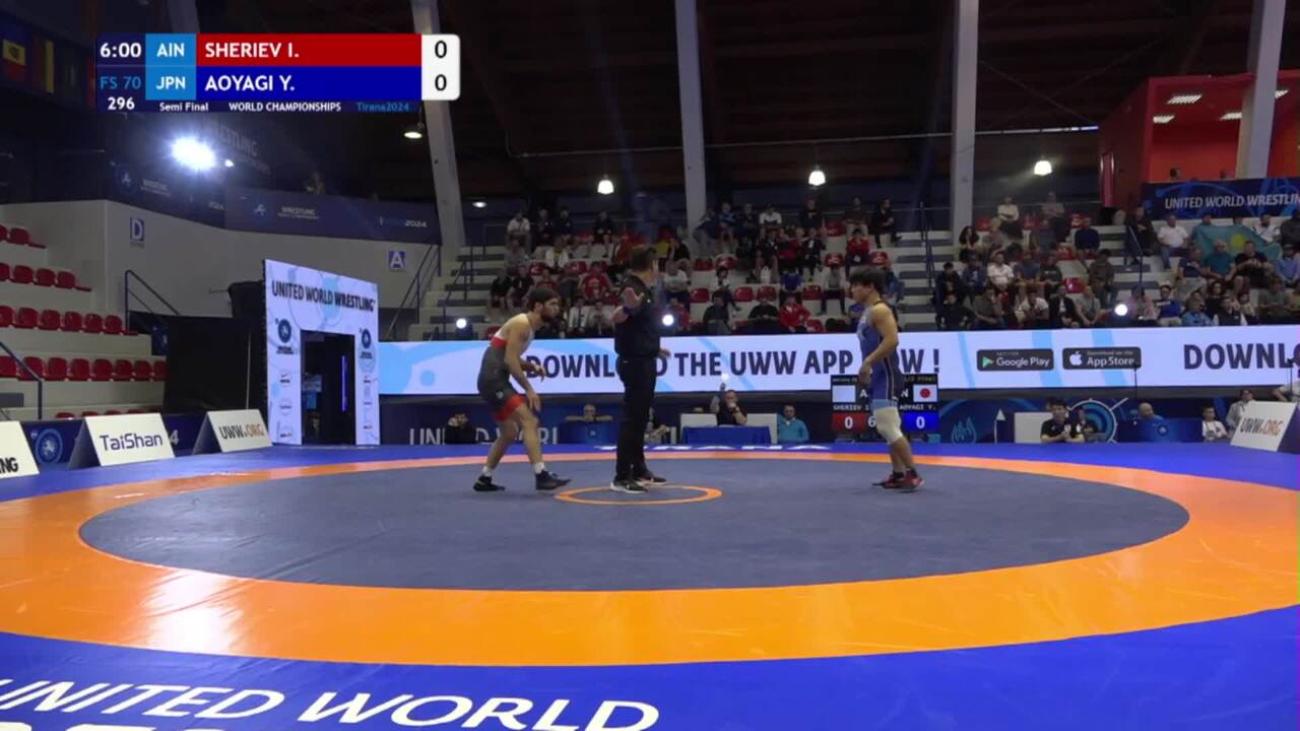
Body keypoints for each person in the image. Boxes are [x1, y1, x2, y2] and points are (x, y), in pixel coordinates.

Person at [472, 288, 571, 492]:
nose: (557, 308)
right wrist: (529, 389)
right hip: (494, 380)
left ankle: (484, 478)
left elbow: (510, 356)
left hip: (492, 379)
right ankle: (541, 475)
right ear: (538, 306)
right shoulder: (522, 324)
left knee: (509, 432)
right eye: (552, 304)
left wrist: (531, 366)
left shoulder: (529, 328)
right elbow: (510, 361)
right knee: (529, 421)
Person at [851, 269, 922, 491]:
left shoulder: (880, 310)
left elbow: (892, 340)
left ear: (870, 286)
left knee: (887, 425)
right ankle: (898, 473)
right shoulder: (867, 312)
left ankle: (912, 473)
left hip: (888, 374)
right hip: (880, 375)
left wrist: (868, 362)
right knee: (889, 426)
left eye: (856, 285)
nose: (852, 290)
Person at [610, 246, 671, 493]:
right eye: (656, 264)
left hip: (644, 358)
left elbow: (638, 326)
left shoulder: (644, 289)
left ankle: (639, 468)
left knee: (641, 417)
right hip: (634, 362)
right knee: (633, 419)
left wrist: (654, 348)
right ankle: (622, 475)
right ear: (651, 264)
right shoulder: (632, 287)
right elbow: (617, 316)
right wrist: (629, 308)